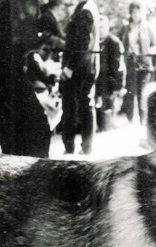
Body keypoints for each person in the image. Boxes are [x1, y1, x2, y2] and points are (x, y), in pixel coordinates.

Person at [0, 0, 51, 157]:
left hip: (1, 67)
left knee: (15, 117)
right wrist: (43, 38)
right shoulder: (24, 3)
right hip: (7, 67)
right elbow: (24, 40)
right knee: (36, 123)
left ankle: (13, 159)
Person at [60, 0, 100, 155]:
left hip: (78, 68)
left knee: (72, 107)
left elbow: (83, 43)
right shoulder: (89, 8)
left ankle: (71, 148)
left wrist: (69, 67)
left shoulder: (85, 11)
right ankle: (85, 147)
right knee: (84, 106)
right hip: (87, 66)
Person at [121, 0, 156, 124]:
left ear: (142, 13)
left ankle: (143, 119)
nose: (136, 15)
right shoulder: (127, 27)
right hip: (130, 63)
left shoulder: (149, 27)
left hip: (144, 63)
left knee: (142, 91)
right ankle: (130, 119)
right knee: (130, 91)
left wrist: (146, 53)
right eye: (133, 13)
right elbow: (124, 45)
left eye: (138, 12)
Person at [95, 15, 124, 132]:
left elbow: (118, 65)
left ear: (107, 27)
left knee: (107, 109)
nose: (101, 30)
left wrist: (118, 85)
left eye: (103, 27)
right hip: (95, 79)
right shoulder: (93, 41)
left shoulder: (114, 42)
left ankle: (107, 128)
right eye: (98, 27)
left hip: (108, 81)